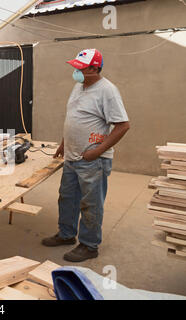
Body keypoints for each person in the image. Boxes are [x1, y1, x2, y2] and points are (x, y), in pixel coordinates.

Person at [41, 49, 130, 262]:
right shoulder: (78, 87)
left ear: (94, 68)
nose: (76, 71)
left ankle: (89, 246)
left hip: (93, 160)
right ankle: (66, 234)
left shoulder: (107, 91)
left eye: (80, 68)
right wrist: (64, 143)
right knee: (67, 198)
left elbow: (123, 125)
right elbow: (74, 118)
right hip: (72, 157)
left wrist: (97, 151)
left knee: (91, 203)